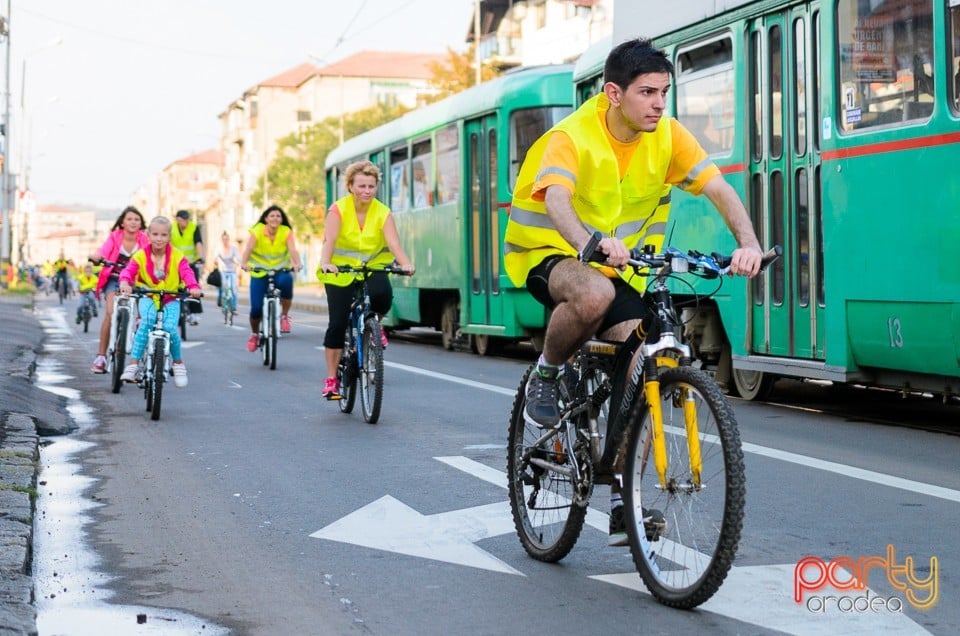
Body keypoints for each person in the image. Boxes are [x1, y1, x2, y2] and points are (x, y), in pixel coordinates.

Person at [503, 38, 764, 547]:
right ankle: (548, 373)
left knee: (644, 352)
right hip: (549, 253)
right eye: (647, 92)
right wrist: (589, 244)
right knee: (594, 296)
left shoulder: (666, 135)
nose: (659, 103)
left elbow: (717, 187)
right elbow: (556, 199)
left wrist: (748, 244)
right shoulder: (571, 136)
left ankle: (624, 497)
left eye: (664, 91)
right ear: (614, 94)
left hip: (623, 268)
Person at [318, 160, 415, 400]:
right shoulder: (338, 210)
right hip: (340, 271)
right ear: (350, 186)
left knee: (383, 295)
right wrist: (326, 262)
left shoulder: (383, 212)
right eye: (361, 185)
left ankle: (374, 325)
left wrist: (405, 263)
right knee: (337, 324)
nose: (367, 191)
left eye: (371, 186)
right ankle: (332, 380)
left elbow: (394, 243)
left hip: (372, 267)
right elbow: (329, 241)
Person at [117, 216, 202, 388]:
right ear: (148, 235)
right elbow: (128, 271)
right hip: (148, 297)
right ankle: (133, 364)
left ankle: (177, 363)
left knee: (170, 328)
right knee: (146, 322)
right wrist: (125, 283)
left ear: (169, 237)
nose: (159, 238)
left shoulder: (178, 256)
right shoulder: (140, 255)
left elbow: (187, 273)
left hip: (170, 299)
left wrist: (193, 286)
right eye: (155, 234)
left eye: (163, 235)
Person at [88, 206, 150, 373]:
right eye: (129, 219)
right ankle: (101, 356)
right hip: (114, 280)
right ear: (122, 222)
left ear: (141, 223)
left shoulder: (144, 240)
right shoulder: (115, 237)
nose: (133, 222)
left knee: (144, 316)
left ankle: (142, 359)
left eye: (137, 219)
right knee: (110, 313)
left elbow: (152, 256)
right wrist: (97, 257)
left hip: (136, 282)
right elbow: (103, 251)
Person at [239, 204, 303, 351]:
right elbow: (248, 249)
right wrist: (244, 263)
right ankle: (254, 333)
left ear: (281, 219)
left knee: (287, 281)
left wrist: (297, 263)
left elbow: (292, 249)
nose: (275, 218)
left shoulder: (286, 231)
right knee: (256, 308)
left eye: (278, 216)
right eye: (272, 216)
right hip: (259, 272)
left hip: (280, 270)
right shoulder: (257, 231)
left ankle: (284, 316)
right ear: (266, 218)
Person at [171, 209, 205, 325]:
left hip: (191, 263)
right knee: (173, 287)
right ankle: (173, 312)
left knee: (194, 287)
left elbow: (198, 243)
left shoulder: (193, 227)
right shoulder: (171, 228)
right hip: (175, 263)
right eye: (182, 219)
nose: (185, 222)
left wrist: (200, 258)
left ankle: (194, 314)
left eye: (187, 219)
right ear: (177, 219)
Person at [216, 231, 240, 314]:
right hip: (223, 270)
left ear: (228, 239)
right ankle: (223, 303)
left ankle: (234, 308)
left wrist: (238, 262)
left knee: (233, 289)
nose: (225, 241)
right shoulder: (219, 249)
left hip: (232, 271)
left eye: (226, 239)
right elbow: (215, 257)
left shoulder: (233, 248)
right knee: (223, 288)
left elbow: (238, 258)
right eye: (223, 239)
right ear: (221, 240)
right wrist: (215, 261)